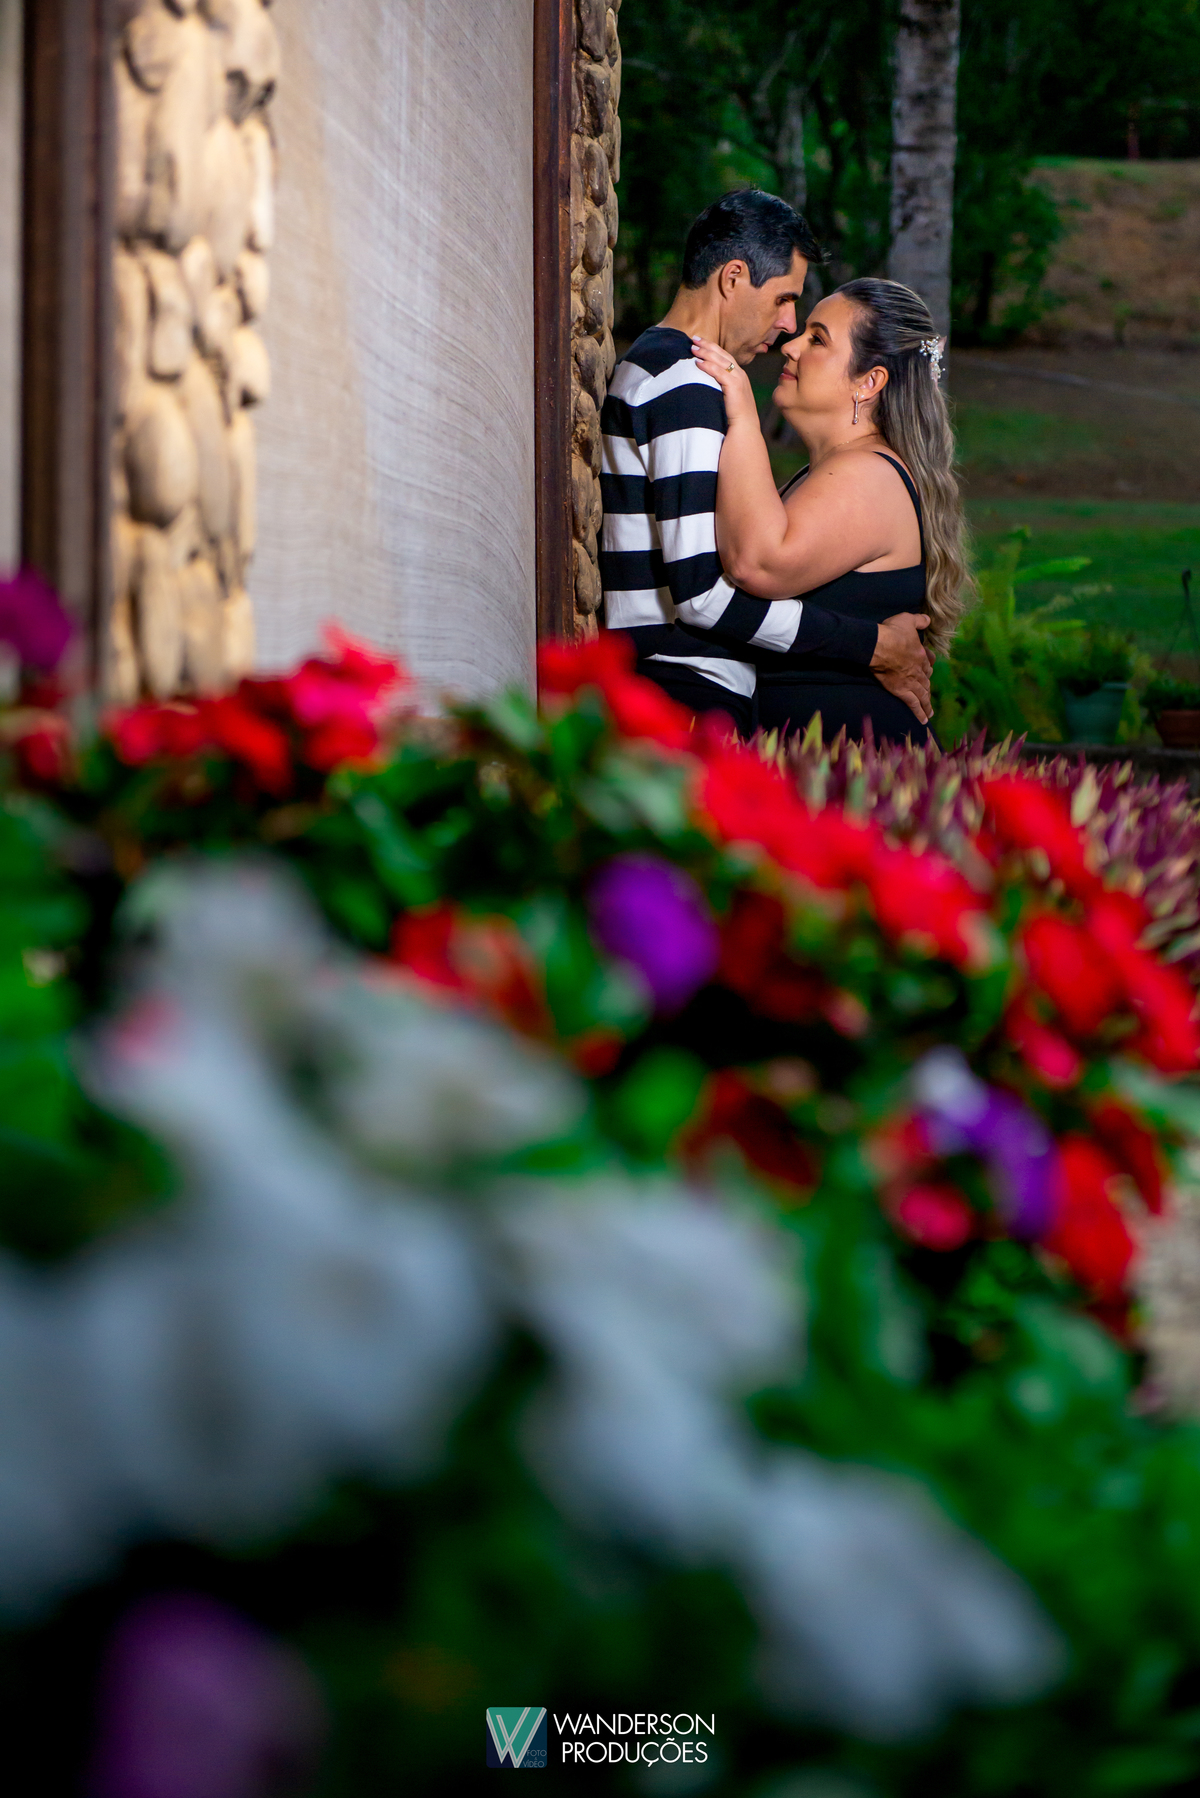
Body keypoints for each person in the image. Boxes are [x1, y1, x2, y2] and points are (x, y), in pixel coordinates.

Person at [599, 191, 933, 739]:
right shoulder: (686, 384)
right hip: (686, 688)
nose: (787, 328)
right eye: (784, 299)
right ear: (733, 278)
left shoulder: (660, 367)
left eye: (812, 331)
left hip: (700, 692)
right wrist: (872, 644)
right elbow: (705, 595)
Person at [690, 277, 969, 744]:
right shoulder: (835, 470)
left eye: (817, 339)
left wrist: (743, 418)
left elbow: (757, 565)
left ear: (868, 382)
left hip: (856, 760)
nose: (791, 346)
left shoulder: (869, 475)